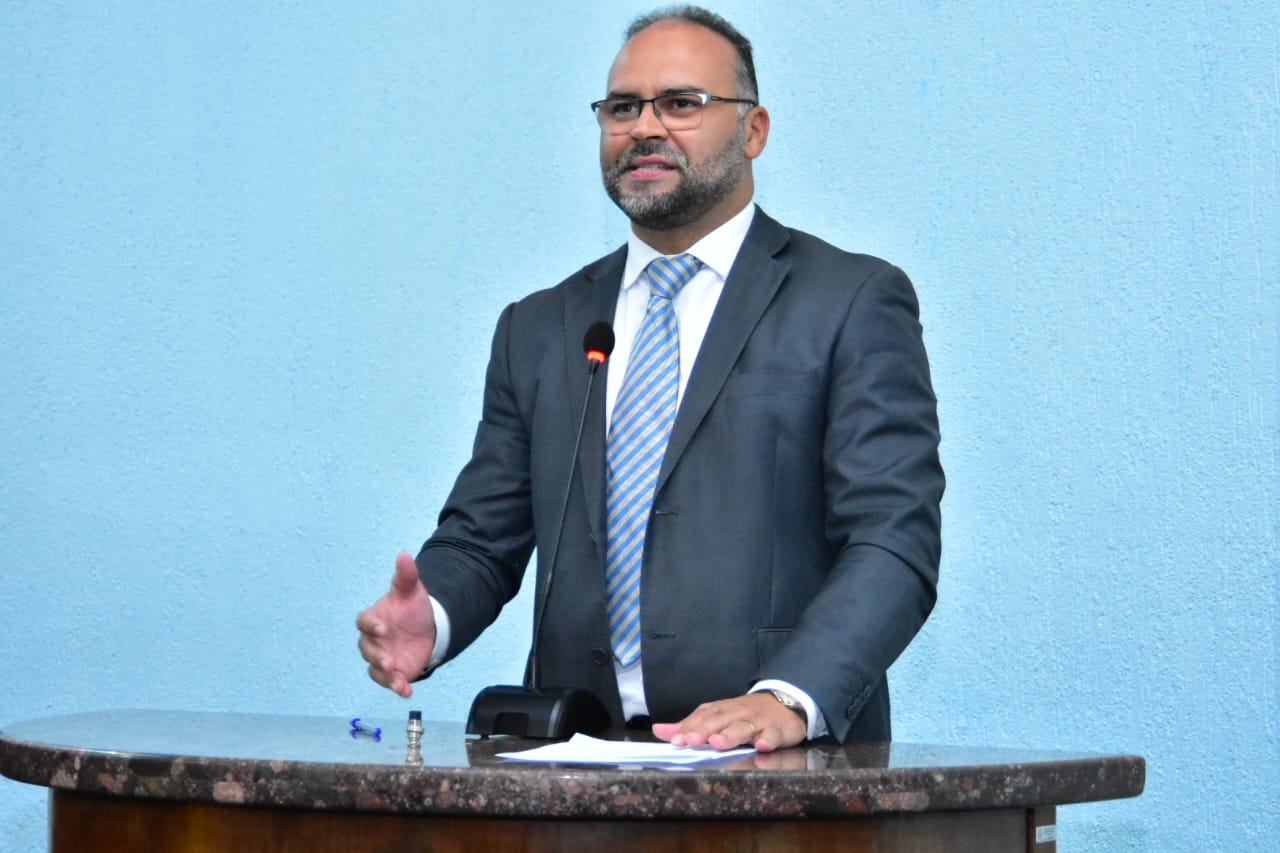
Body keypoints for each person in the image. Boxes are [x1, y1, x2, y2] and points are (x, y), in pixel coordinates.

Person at [357, 6, 943, 752]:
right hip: (579, 762)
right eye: (622, 108)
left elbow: (892, 538)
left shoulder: (848, 302)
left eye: (681, 103)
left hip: (783, 766)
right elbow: (481, 539)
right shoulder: (540, 327)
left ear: (754, 130)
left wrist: (790, 697)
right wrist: (433, 617)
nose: (644, 128)